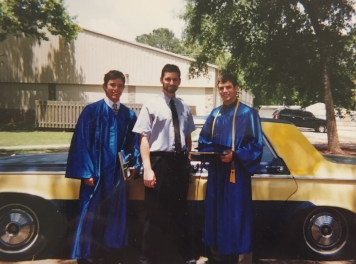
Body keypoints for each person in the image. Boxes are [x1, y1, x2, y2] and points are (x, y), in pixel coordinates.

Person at [66, 70, 140, 264]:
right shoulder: (92, 111)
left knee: (115, 213)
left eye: (119, 86)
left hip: (117, 174)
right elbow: (81, 143)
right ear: (104, 86)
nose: (116, 89)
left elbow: (134, 144)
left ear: (123, 88)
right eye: (112, 85)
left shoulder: (129, 114)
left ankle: (111, 253)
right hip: (96, 173)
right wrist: (85, 172)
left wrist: (133, 165)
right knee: (91, 213)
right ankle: (87, 255)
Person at [132, 64, 196, 264]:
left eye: (175, 79)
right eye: (168, 79)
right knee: (155, 212)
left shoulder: (183, 106)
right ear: (162, 80)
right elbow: (144, 139)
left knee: (179, 211)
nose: (171, 83)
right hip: (159, 161)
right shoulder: (151, 105)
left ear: (179, 81)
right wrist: (148, 168)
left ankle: (176, 257)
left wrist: (187, 158)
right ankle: (148, 259)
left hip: (179, 163)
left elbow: (187, 137)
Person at [198, 73, 263, 264]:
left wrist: (235, 155)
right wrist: (214, 152)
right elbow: (203, 140)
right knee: (217, 212)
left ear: (236, 88)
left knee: (235, 215)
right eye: (221, 88)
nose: (225, 91)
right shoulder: (215, 114)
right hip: (218, 172)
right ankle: (218, 256)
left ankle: (237, 258)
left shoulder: (248, 114)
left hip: (238, 173)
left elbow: (256, 145)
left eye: (228, 87)